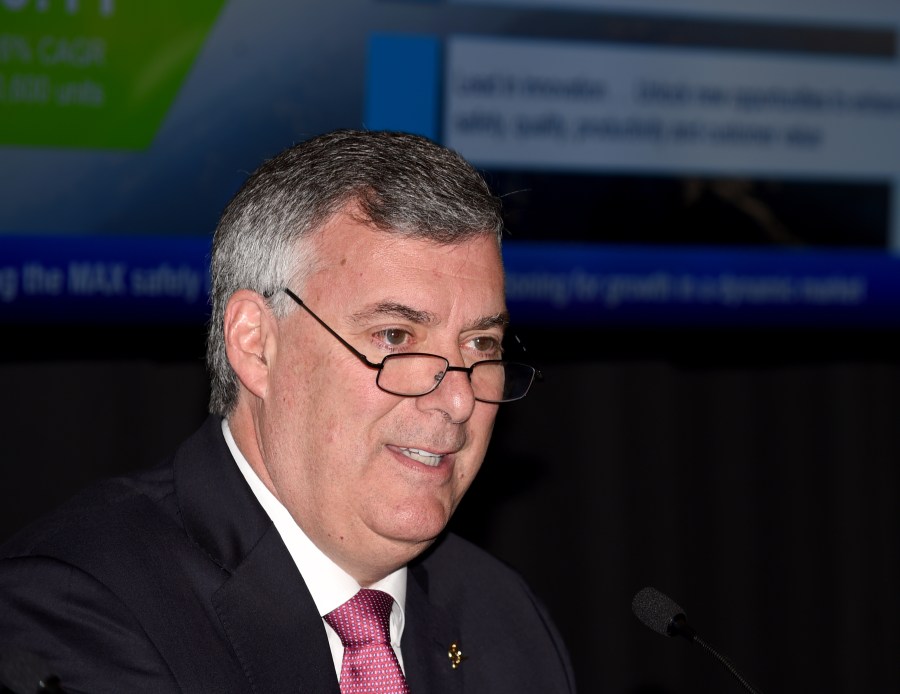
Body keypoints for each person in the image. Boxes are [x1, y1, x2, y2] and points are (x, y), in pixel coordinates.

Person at [0, 130, 576, 693]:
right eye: (396, 335)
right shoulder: (82, 603)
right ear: (256, 344)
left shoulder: (505, 620)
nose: (457, 400)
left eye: (481, 345)